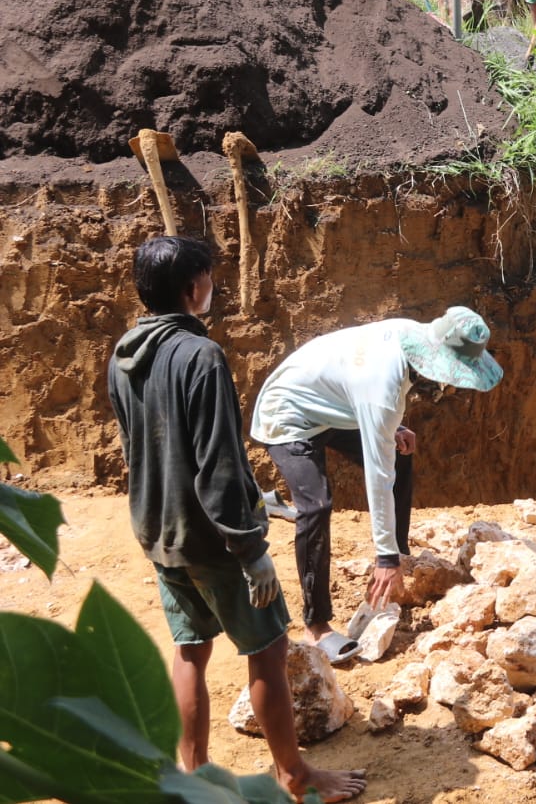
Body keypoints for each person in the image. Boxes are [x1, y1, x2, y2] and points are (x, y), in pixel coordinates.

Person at [107, 237, 365, 803]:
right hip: (214, 538)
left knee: (190, 650)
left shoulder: (124, 354)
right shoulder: (202, 356)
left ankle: (195, 775)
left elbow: (144, 448)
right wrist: (250, 549)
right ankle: (294, 775)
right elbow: (216, 460)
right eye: (207, 277)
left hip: (159, 528)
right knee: (267, 650)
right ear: (189, 288)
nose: (212, 286)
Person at [252, 308, 504, 665]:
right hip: (287, 412)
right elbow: (377, 475)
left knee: (400, 452)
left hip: (331, 405)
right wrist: (380, 555)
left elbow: (362, 398)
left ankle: (398, 560)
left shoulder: (411, 335)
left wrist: (388, 430)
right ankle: (317, 626)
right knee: (316, 506)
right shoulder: (382, 387)